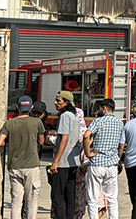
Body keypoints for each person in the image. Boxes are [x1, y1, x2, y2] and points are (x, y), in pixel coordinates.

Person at [0, 96, 45, 219]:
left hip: (14, 166)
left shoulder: (9, 123)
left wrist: (8, 141)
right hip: (32, 166)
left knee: (16, 201)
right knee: (31, 201)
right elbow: (42, 141)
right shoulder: (37, 122)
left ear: (17, 107)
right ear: (31, 107)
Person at [83, 99, 123, 219]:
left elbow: (86, 135)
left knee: (93, 197)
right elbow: (121, 144)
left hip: (97, 163)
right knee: (112, 197)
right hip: (112, 164)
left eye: (99, 108)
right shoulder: (119, 123)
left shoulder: (98, 121)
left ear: (104, 108)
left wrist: (88, 153)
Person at [49, 91, 82, 219]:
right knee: (70, 195)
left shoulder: (64, 116)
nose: (55, 103)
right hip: (73, 160)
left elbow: (64, 139)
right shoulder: (74, 116)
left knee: (57, 195)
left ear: (66, 102)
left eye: (59, 101)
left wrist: (55, 161)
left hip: (63, 161)